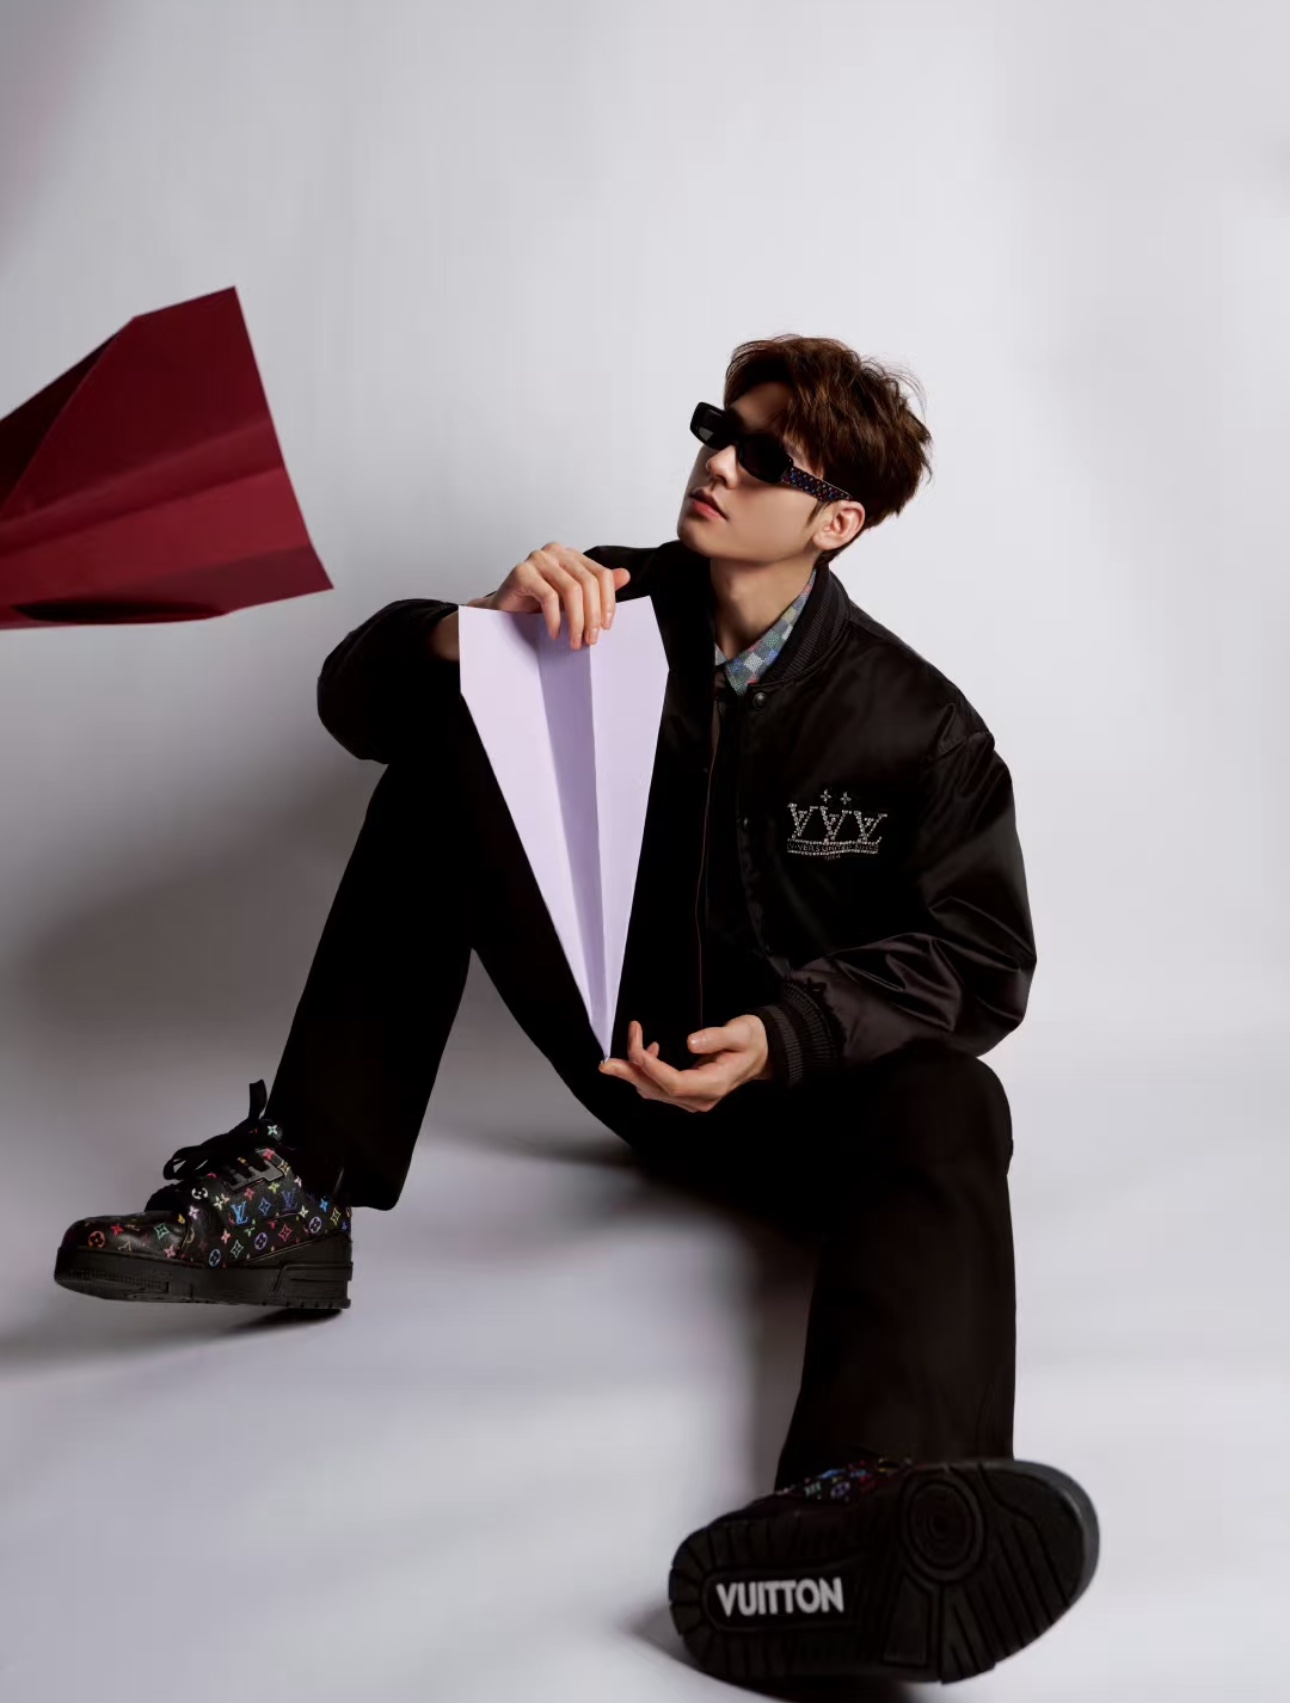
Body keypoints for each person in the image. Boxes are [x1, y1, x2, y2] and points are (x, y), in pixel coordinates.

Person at [52, 335, 1099, 1686]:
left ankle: (860, 1499)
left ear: (836, 523)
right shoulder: (600, 605)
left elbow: (983, 957)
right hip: (615, 1039)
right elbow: (354, 704)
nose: (717, 463)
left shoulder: (918, 728)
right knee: (442, 754)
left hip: (791, 1095)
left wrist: (785, 1038)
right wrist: (471, 633)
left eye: (764, 457)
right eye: (717, 428)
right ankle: (301, 1188)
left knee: (955, 1096)